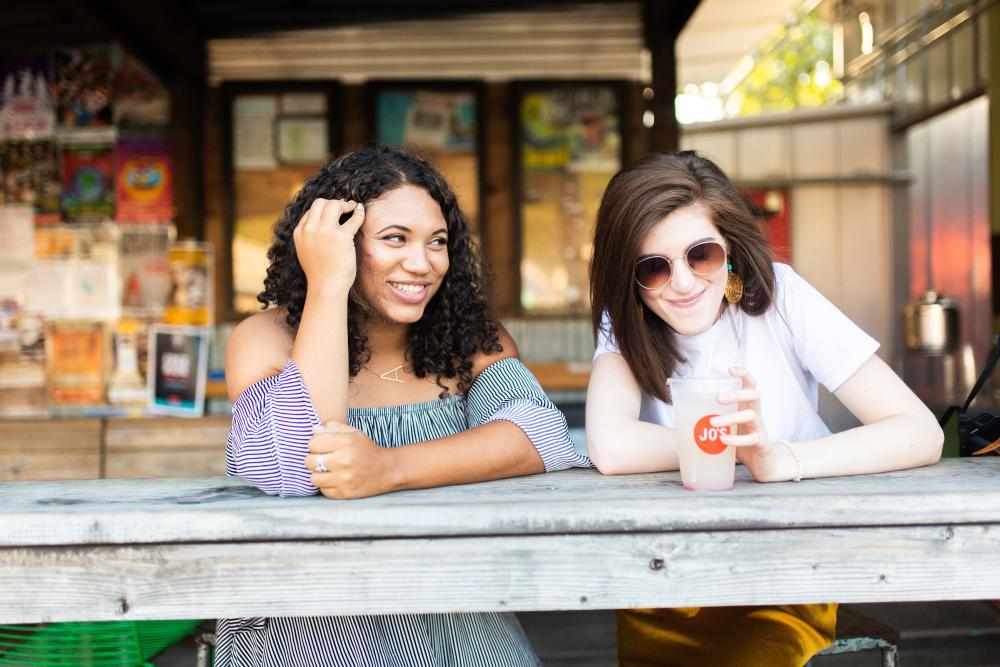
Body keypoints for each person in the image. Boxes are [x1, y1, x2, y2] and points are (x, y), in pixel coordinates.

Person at [222, 146, 590, 666]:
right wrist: (329, 286)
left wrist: (388, 468)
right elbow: (292, 466)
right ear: (338, 243)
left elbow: (542, 437)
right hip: (305, 636)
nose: (422, 264)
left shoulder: (470, 339)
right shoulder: (266, 339)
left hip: (459, 631)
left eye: (437, 242)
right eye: (395, 239)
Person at [586, 150, 943, 667]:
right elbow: (612, 448)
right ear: (630, 278)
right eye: (653, 267)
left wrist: (777, 460)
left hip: (784, 578)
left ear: (729, 247)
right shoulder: (623, 321)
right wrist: (737, 447)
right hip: (664, 585)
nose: (683, 282)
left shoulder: (781, 297)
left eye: (700, 254)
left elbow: (918, 432)